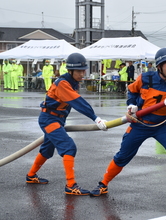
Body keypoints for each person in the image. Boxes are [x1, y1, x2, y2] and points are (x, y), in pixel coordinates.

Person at [90, 47, 166, 209]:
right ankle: (103, 184)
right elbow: (132, 91)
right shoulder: (145, 78)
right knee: (122, 157)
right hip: (139, 124)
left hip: (162, 125)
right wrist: (131, 105)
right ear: (159, 66)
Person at [26, 52, 108, 195]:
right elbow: (77, 102)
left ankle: (31, 176)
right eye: (79, 71)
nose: (82, 74)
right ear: (70, 70)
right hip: (49, 120)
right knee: (69, 147)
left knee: (47, 150)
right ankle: (71, 185)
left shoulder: (72, 82)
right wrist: (96, 118)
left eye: (84, 70)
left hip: (57, 120)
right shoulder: (63, 83)